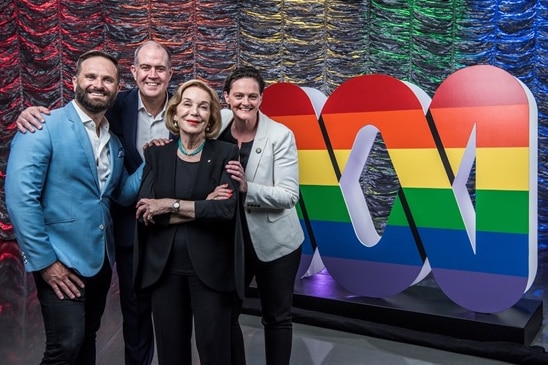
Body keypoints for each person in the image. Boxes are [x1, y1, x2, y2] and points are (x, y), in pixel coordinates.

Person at [15, 40, 173, 365]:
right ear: (74, 81)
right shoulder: (43, 126)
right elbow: (20, 199)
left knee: (87, 338)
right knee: (67, 344)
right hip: (61, 259)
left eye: (107, 80)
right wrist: (45, 263)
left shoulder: (112, 141)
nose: (98, 85)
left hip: (100, 259)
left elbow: (120, 193)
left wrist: (149, 161)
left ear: (117, 86)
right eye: (91, 77)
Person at [134, 79, 244, 365]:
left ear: (210, 117)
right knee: (171, 353)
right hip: (165, 270)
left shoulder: (225, 154)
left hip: (210, 270)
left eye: (203, 106)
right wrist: (204, 204)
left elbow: (226, 211)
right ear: (175, 112)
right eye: (188, 103)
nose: (194, 111)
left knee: (215, 352)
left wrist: (169, 204)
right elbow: (147, 212)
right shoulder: (156, 154)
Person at [216, 65, 304, 365]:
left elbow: (289, 195)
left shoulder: (280, 135)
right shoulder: (216, 126)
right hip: (230, 241)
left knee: (277, 317)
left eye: (252, 96)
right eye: (238, 95)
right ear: (226, 97)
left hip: (276, 242)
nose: (245, 102)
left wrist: (247, 188)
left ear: (261, 99)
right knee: (225, 314)